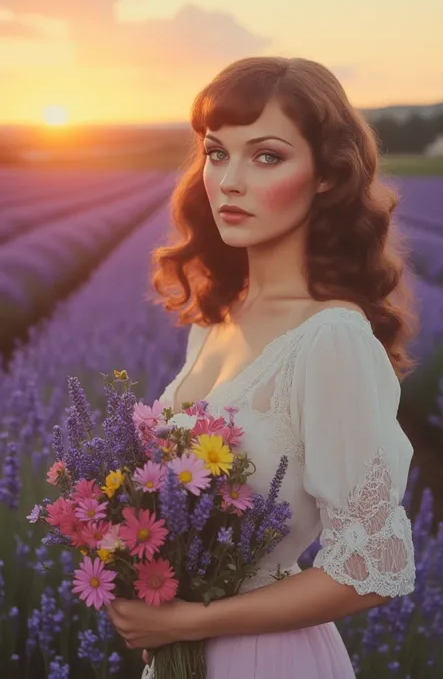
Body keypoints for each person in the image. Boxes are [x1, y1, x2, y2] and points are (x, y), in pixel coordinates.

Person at [107, 56, 419, 678]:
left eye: (267, 156)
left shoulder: (331, 339)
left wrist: (191, 621)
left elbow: (374, 570)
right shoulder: (215, 322)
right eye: (217, 153)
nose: (229, 180)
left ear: (326, 176)